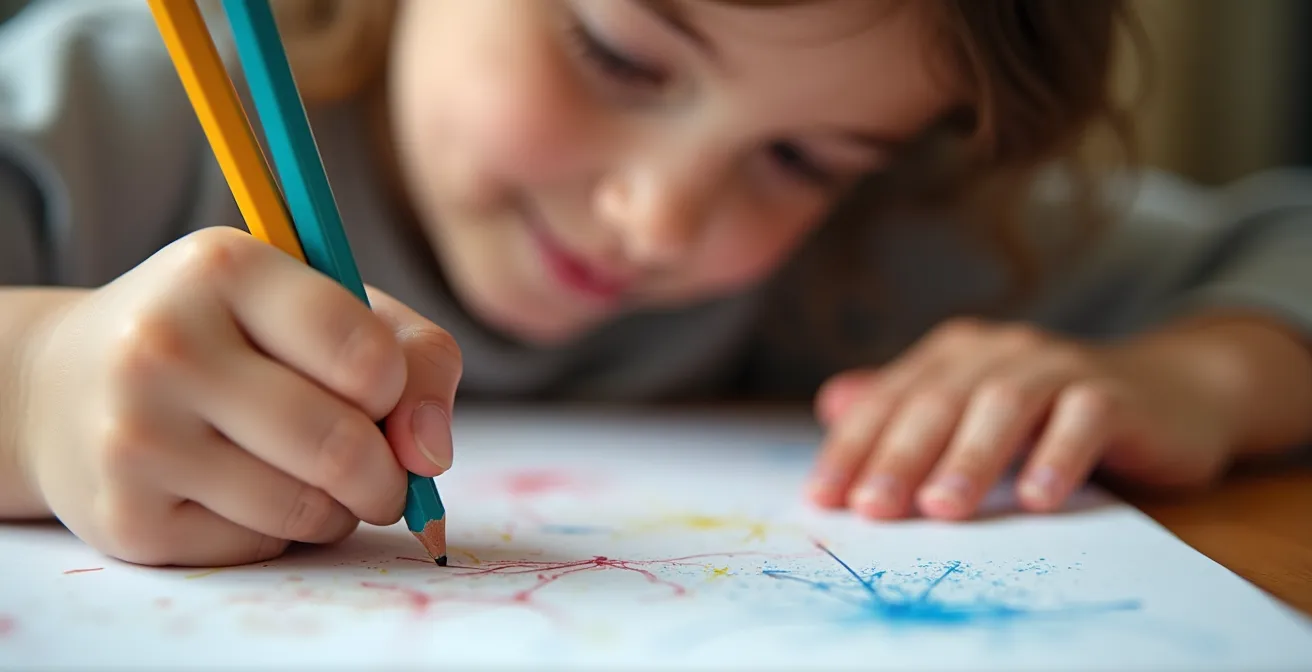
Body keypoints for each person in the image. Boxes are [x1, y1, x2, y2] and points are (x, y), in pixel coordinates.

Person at [1, 0, 1310, 568]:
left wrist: (1192, 375)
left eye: (802, 157)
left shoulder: (865, 244)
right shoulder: (111, 122)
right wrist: (34, 388)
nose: (662, 213)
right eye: (620, 55)